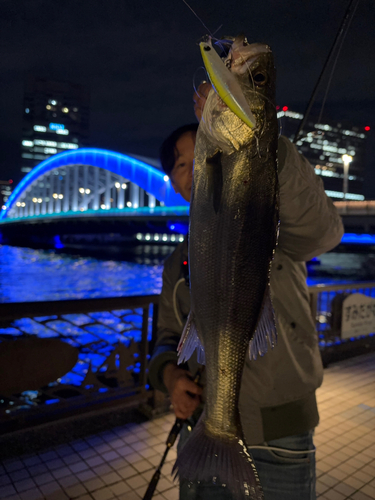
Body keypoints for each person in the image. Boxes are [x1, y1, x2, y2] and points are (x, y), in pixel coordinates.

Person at [148, 82, 344, 500]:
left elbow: (324, 233)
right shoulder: (175, 263)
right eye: (180, 164)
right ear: (174, 182)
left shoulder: (271, 220)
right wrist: (168, 375)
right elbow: (167, 336)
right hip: (201, 429)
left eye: (198, 152)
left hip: (281, 435)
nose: (192, 167)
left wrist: (265, 140)